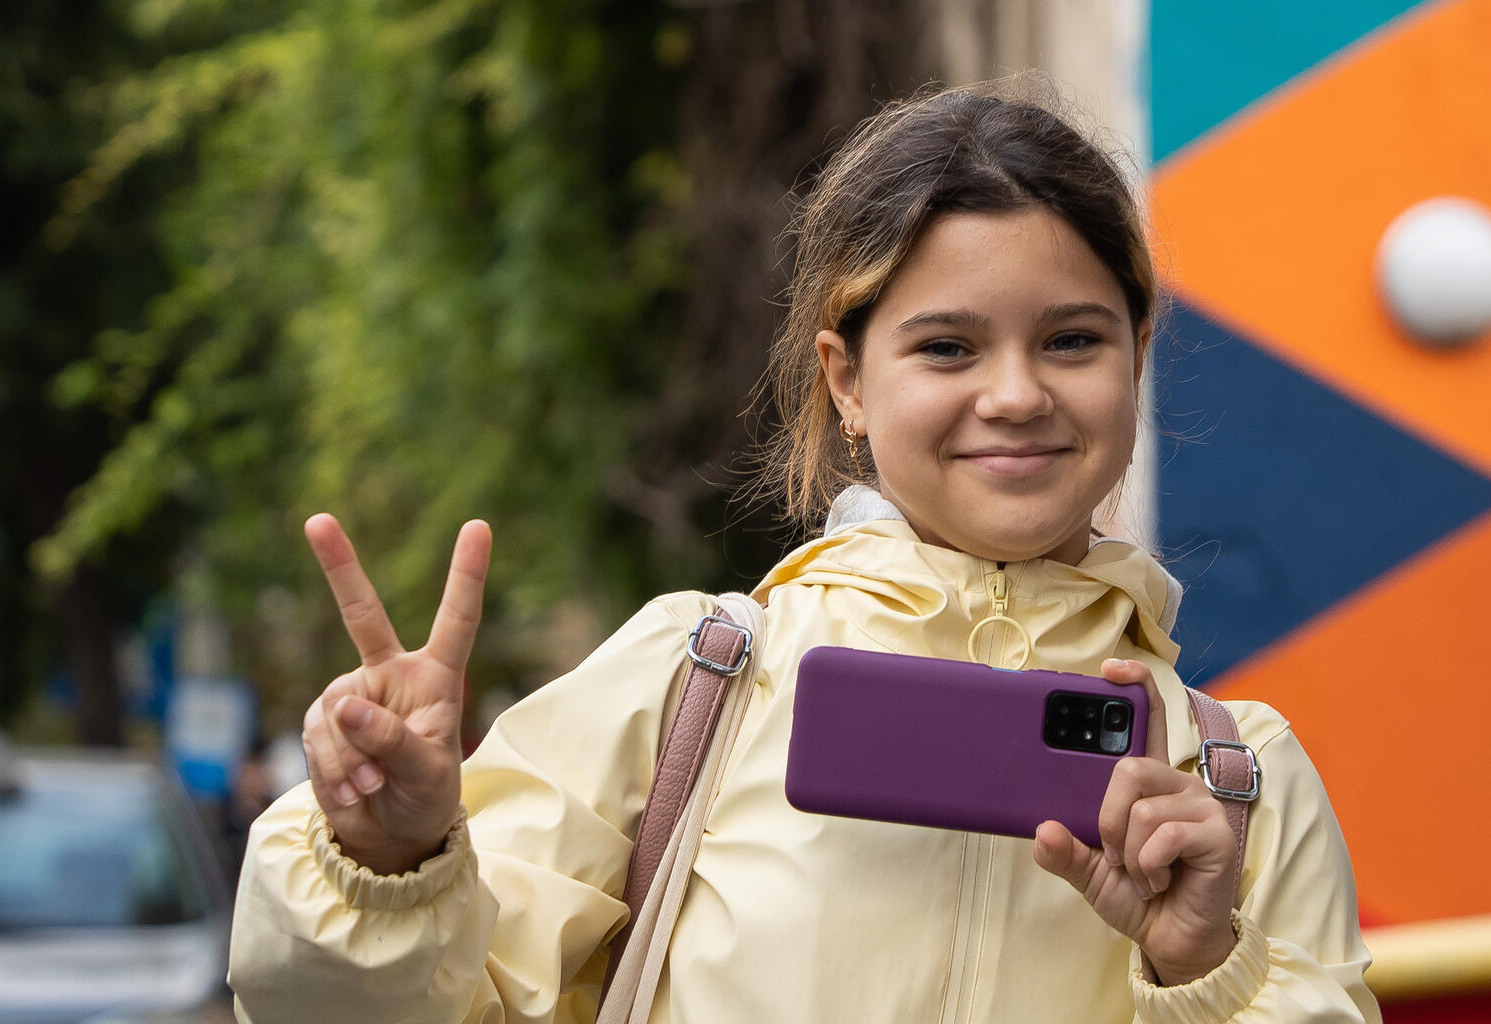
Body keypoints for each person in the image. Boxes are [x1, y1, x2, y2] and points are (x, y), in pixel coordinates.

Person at [228, 82, 1381, 1023]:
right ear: (848, 382)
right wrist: (389, 859)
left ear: (1136, 354)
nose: (1018, 394)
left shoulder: (1239, 782)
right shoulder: (695, 678)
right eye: (946, 346)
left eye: (1072, 340)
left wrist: (1205, 963)